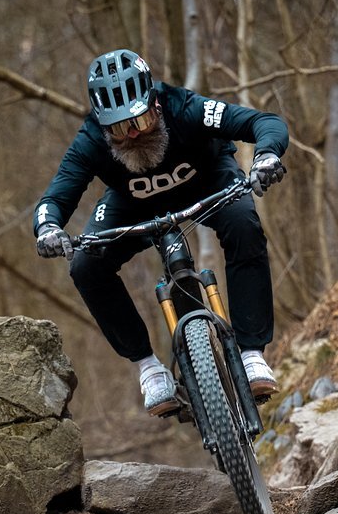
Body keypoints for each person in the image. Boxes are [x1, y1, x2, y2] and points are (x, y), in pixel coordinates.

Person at [33, 48, 288, 416]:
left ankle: (251, 355)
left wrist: (266, 155)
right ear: (103, 126)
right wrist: (48, 227)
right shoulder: (90, 140)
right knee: (86, 266)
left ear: (155, 104)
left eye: (140, 120)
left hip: (209, 181)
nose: (133, 134)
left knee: (243, 223)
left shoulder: (185, 108)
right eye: (120, 128)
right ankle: (149, 368)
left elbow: (265, 123)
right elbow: (55, 196)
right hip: (133, 203)